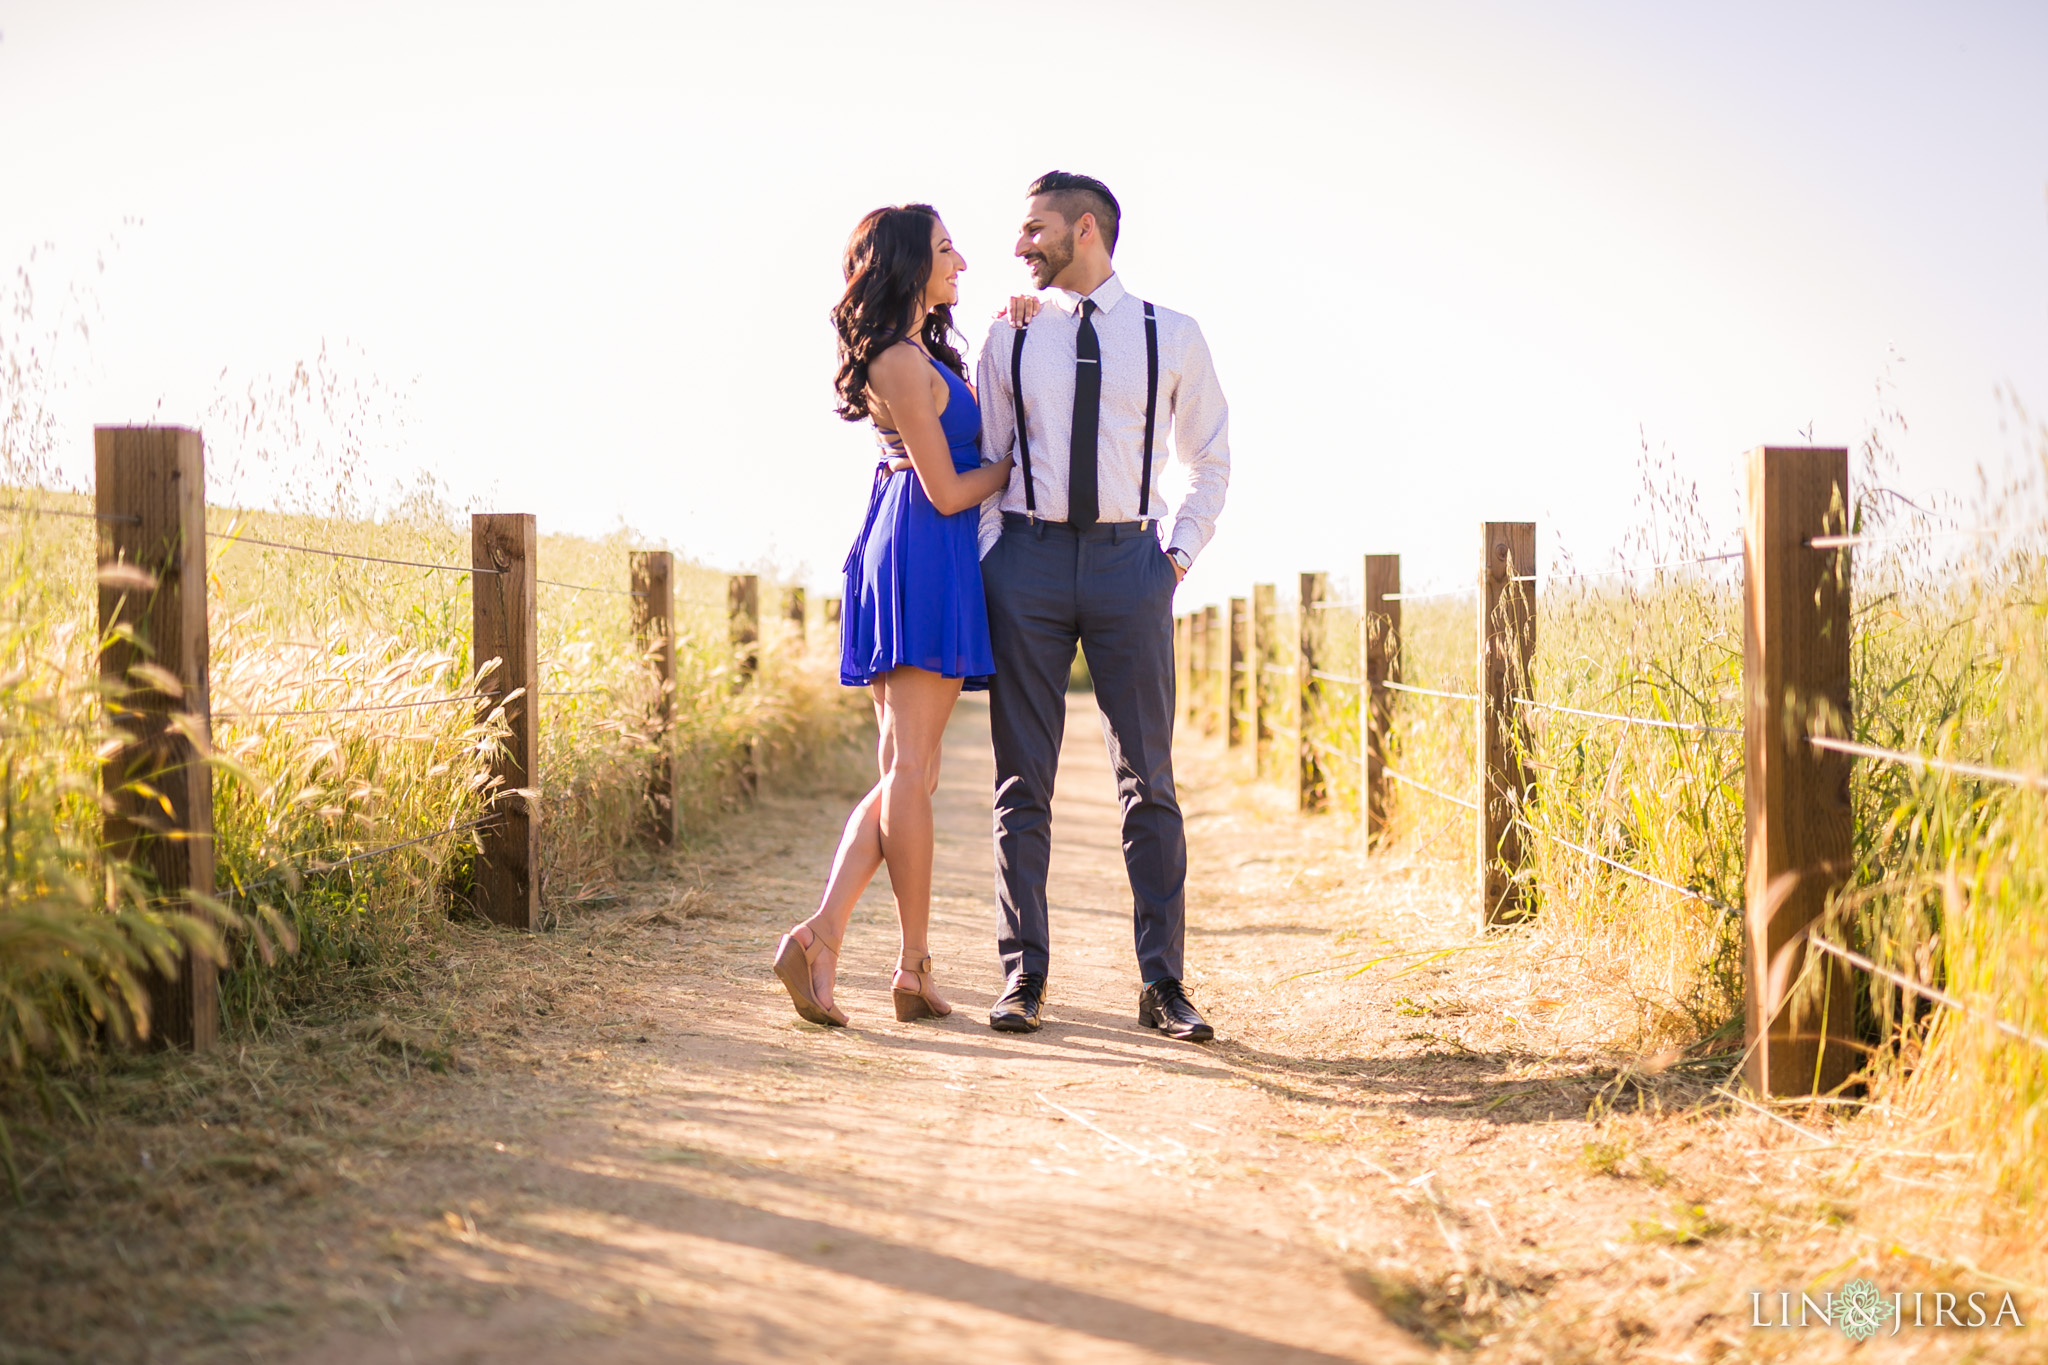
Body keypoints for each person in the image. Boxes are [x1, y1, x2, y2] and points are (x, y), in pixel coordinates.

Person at [976, 171, 1231, 1041]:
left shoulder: (1173, 336)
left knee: (1149, 782)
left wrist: (1175, 559)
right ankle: (1023, 976)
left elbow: (1212, 459)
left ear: (1086, 230)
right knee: (1022, 783)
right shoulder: (1006, 337)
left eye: (1035, 228)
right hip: (1029, 563)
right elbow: (991, 458)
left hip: (1132, 565)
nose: (1021, 245)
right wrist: (995, 557)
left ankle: (1164, 985)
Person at [772, 204, 1014, 1028]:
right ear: (911, 263)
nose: (963, 263)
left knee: (904, 772)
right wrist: (1014, 471)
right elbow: (949, 489)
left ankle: (827, 939)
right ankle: (901, 963)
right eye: (948, 249)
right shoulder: (902, 361)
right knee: (911, 771)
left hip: (902, 538)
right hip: (923, 543)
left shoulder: (913, 352)